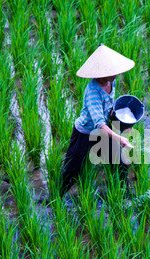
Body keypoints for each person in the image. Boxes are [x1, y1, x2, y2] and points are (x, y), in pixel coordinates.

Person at [60, 44, 134, 197]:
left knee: (120, 162)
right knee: (72, 170)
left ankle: (122, 193)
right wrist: (120, 138)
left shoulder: (110, 81)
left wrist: (121, 120)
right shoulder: (93, 91)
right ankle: (56, 198)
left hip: (103, 131)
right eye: (111, 71)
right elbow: (99, 124)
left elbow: (108, 107)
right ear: (100, 73)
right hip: (85, 133)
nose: (115, 74)